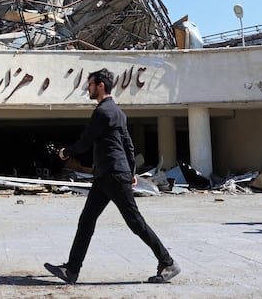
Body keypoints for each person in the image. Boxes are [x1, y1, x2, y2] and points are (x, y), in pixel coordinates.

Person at [44, 68, 180, 285]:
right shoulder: (117, 112)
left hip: (113, 175)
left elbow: (86, 141)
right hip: (107, 176)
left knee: (135, 222)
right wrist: (132, 172)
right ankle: (71, 271)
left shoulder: (102, 112)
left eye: (89, 84)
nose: (87, 88)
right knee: (86, 221)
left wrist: (65, 152)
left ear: (100, 86)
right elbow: (128, 144)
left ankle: (168, 262)